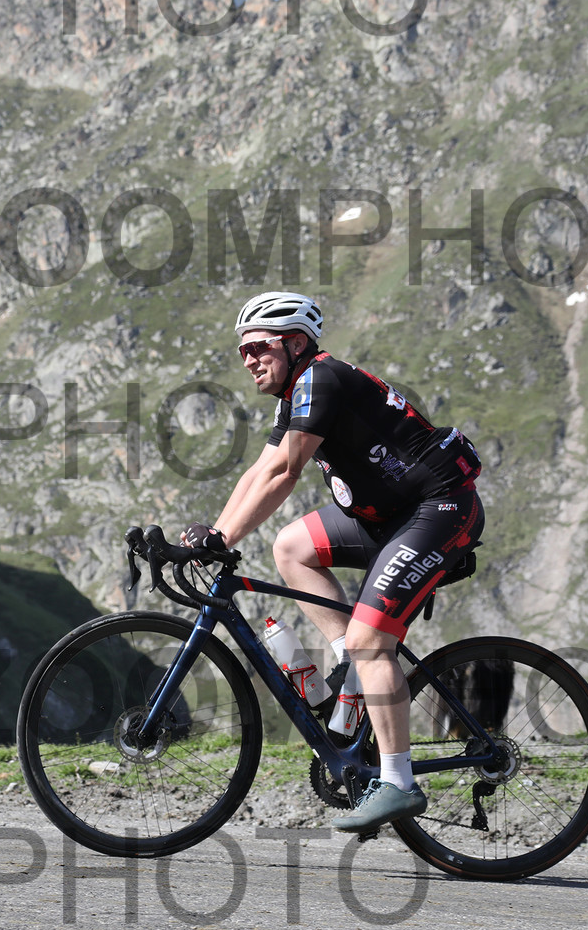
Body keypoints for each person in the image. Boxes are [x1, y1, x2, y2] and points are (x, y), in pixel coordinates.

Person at [181, 291, 485, 834]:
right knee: (290, 548)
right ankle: (354, 669)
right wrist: (212, 535)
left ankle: (398, 782)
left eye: (258, 347)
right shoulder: (296, 393)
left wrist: (223, 537)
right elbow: (260, 470)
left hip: (439, 510)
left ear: (296, 343)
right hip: (390, 517)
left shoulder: (321, 378)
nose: (249, 359)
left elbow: (287, 473)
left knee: (374, 642)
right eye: (242, 351)